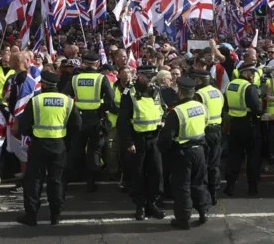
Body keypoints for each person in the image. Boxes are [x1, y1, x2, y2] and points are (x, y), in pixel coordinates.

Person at [16, 70, 80, 226]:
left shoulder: (36, 100)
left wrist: (33, 134)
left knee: (34, 180)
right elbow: (76, 125)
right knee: (56, 181)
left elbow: (24, 126)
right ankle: (55, 216)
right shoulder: (68, 101)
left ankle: (31, 216)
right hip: (59, 145)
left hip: (38, 144)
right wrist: (66, 140)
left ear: (43, 85)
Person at [158, 76, 209, 230]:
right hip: (199, 150)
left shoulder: (177, 111)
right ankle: (203, 212)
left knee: (182, 187)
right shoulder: (201, 107)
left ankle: (183, 219)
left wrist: (163, 150)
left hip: (183, 153)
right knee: (199, 183)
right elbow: (205, 123)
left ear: (180, 92)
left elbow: (167, 137)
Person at [118, 65, 165, 220]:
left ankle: (152, 203)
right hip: (137, 140)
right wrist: (128, 142)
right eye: (148, 77)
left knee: (156, 172)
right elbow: (123, 121)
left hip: (154, 138)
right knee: (138, 174)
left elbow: (163, 109)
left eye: (152, 77)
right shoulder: (129, 92)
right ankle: (140, 206)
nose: (151, 81)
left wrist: (163, 121)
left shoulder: (155, 90)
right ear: (140, 76)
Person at [66, 53, 116, 191]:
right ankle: (91, 182)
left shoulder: (75, 78)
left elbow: (66, 96)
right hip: (96, 118)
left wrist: (74, 110)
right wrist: (101, 110)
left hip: (79, 117)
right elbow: (110, 98)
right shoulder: (101, 78)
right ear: (97, 64)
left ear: (84, 63)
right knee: (94, 150)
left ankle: (68, 179)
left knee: (76, 149)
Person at [223, 62, 263, 196]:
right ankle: (252, 187)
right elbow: (257, 108)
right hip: (249, 124)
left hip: (235, 124)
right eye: (252, 73)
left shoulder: (230, 85)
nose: (253, 75)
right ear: (245, 73)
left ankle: (230, 186)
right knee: (252, 157)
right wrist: (261, 110)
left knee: (234, 156)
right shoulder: (248, 87)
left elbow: (226, 105)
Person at [193, 67, 224, 204]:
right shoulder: (217, 92)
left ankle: (204, 195)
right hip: (217, 129)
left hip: (204, 131)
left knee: (203, 164)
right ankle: (214, 192)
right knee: (214, 164)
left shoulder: (199, 94)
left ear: (199, 80)